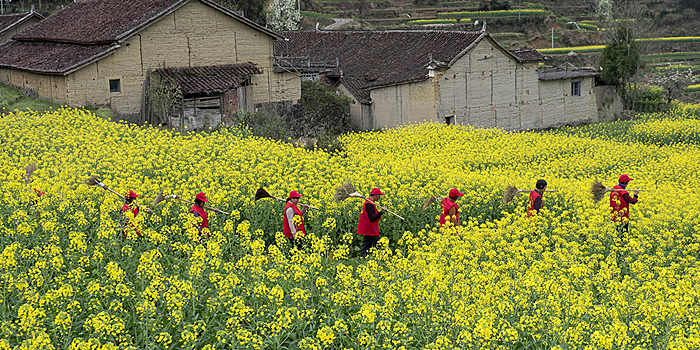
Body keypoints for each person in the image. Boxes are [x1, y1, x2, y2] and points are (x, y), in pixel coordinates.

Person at [357, 188, 387, 258]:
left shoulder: (370, 203)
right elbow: (372, 218)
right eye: (379, 195)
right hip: (370, 229)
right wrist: (381, 212)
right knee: (380, 244)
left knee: (366, 246)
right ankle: (386, 258)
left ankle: (361, 259)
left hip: (368, 229)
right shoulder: (369, 204)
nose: (379, 197)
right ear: (375, 195)